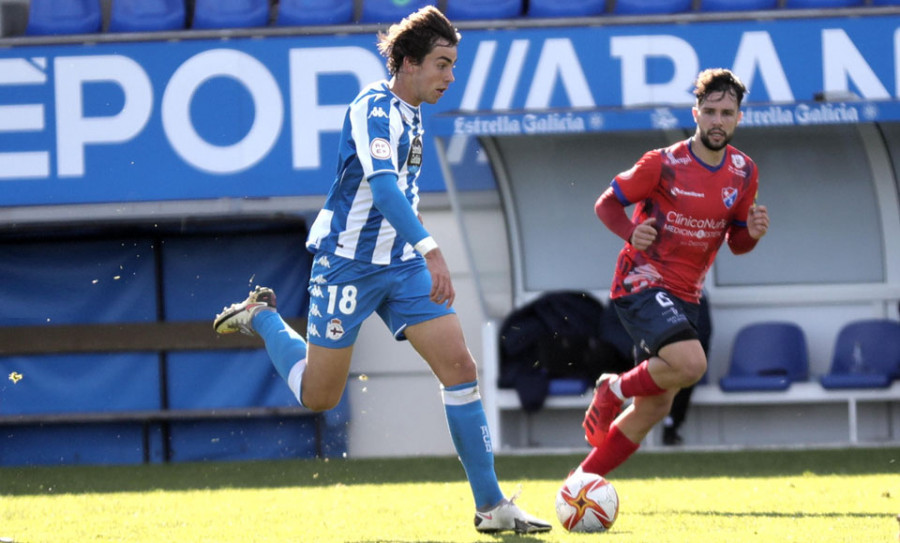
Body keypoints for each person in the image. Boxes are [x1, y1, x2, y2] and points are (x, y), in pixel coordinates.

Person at [213, 6, 550, 535]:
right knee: (320, 397)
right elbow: (385, 188)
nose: (450, 77)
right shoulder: (374, 106)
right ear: (410, 62)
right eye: (442, 64)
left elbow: (401, 198)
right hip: (346, 265)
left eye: (454, 65)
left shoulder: (414, 112)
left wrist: (417, 252)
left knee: (461, 369)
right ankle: (261, 318)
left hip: (400, 265)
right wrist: (434, 249)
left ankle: (491, 506)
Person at [578, 68, 770, 476]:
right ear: (696, 113)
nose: (718, 120)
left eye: (727, 113)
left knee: (655, 407)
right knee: (692, 364)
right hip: (640, 282)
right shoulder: (662, 164)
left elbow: (736, 244)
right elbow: (606, 204)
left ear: (739, 118)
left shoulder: (745, 172)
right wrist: (632, 233)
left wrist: (751, 234)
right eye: (711, 111)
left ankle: (580, 486)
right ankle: (611, 388)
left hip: (686, 295)